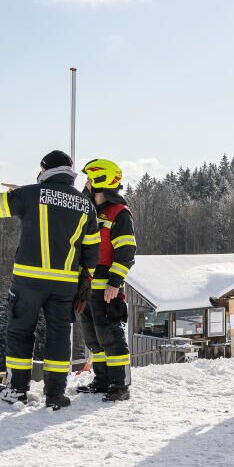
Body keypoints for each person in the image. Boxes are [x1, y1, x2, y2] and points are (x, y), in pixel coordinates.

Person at [0, 150, 98, 409]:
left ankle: (17, 391)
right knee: (59, 336)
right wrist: (86, 280)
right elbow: (92, 248)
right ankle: (55, 394)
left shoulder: (30, 194)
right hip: (64, 284)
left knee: (20, 332)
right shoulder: (85, 205)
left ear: (44, 169)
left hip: (28, 281)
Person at [74, 159, 136, 402]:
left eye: (90, 179)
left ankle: (120, 386)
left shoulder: (119, 214)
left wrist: (115, 282)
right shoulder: (89, 210)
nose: (86, 183)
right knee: (94, 338)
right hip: (87, 287)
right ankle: (101, 381)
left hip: (107, 288)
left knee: (111, 337)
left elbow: (126, 252)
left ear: (100, 182)